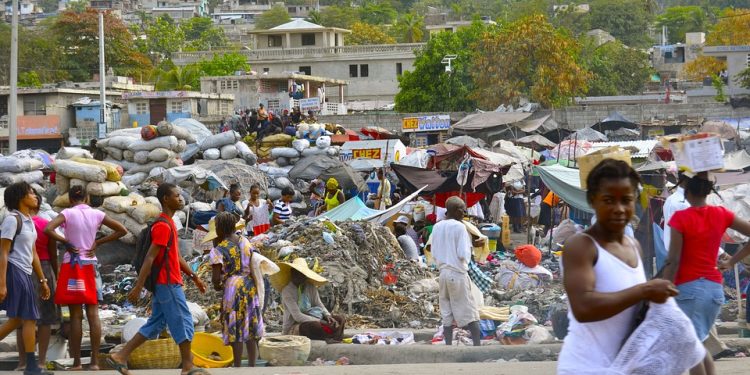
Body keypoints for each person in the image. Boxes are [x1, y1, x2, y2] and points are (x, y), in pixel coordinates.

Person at [558, 159, 706, 374]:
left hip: (624, 366)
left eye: (626, 200)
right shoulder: (582, 246)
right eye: (608, 200)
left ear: (635, 201)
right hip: (585, 367)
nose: (618, 209)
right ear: (592, 200)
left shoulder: (633, 245)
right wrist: (644, 290)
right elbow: (583, 308)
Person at [107, 183, 210, 375]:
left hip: (167, 282)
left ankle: (120, 356)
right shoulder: (162, 225)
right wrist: (138, 287)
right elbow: (150, 258)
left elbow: (176, 256)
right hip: (167, 282)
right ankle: (188, 365)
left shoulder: (169, 223)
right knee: (183, 319)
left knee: (156, 324)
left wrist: (194, 276)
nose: (181, 198)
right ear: (166, 199)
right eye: (177, 195)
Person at [663, 171, 750, 374]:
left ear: (686, 191)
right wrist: (732, 261)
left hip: (689, 290)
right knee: (699, 346)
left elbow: (673, 260)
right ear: (708, 191)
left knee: (690, 350)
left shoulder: (680, 218)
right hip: (714, 290)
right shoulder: (721, 213)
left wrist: (664, 288)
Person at [44, 185, 127, 371]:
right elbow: (122, 230)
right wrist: (98, 242)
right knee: (93, 314)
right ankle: (95, 362)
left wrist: (66, 242)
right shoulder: (96, 214)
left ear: (71, 199)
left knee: (75, 316)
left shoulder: (67, 213)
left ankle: (76, 363)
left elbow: (48, 229)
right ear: (87, 198)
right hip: (90, 265)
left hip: (72, 266)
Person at [0, 182, 53, 375]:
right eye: (31, 193)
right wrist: (2, 283)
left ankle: (31, 366)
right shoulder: (12, 220)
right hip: (14, 271)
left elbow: (34, 255)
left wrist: (42, 281)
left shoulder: (29, 220)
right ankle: (31, 367)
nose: (35, 196)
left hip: (25, 273)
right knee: (24, 319)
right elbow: (3, 252)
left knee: (24, 319)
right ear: (20, 197)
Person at [208, 213, 264, 367]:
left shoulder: (218, 249)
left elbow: (215, 278)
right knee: (250, 325)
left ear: (219, 229)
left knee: (236, 327)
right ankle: (252, 365)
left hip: (232, 288)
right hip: (249, 285)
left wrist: (218, 285)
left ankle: (238, 366)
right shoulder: (246, 241)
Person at [16, 192, 59, 371]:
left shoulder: (15, 223)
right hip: (44, 268)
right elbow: (52, 252)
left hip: (20, 269)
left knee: (21, 319)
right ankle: (41, 361)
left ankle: (23, 362)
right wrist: (54, 276)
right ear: (39, 206)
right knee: (45, 319)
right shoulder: (44, 225)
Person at [430, 196, 481, 346]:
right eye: (462, 209)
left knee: (446, 312)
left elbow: (433, 252)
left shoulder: (437, 226)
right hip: (457, 274)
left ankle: (448, 346)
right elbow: (463, 254)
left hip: (443, 274)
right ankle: (478, 347)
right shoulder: (460, 227)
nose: (464, 211)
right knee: (470, 312)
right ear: (454, 210)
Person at [271, 258, 345, 342]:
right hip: (297, 325)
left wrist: (328, 316)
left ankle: (333, 337)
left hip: (315, 317)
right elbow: (297, 316)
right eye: (298, 274)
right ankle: (330, 336)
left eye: (303, 274)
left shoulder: (310, 287)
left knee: (340, 319)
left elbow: (318, 304)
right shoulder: (287, 291)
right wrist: (320, 321)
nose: (301, 277)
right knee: (313, 326)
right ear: (292, 274)